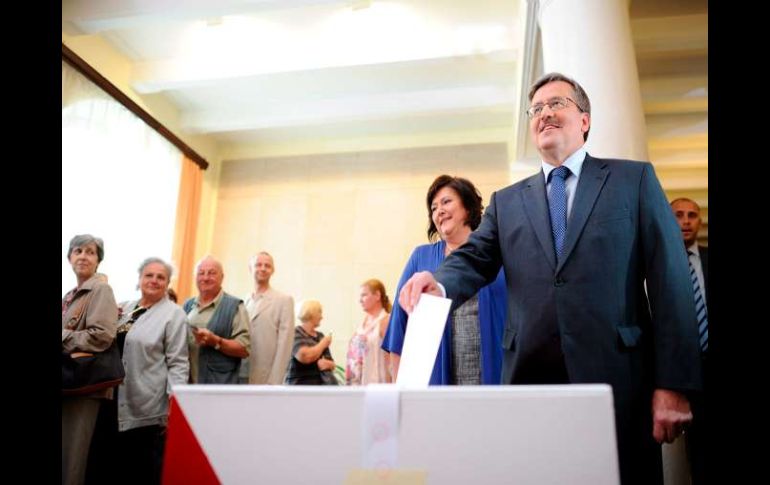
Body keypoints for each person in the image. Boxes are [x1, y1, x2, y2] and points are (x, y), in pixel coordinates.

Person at [398, 72, 702, 485]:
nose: (544, 114)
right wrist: (439, 281)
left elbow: (671, 284)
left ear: (585, 120)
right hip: (530, 383)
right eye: (536, 109)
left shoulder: (634, 181)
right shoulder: (507, 203)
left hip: (619, 379)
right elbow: (473, 258)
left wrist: (674, 382)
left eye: (556, 103)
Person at [383, 175, 507, 385]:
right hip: (436, 386)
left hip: (496, 382)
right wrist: (400, 390)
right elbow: (398, 328)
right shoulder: (420, 258)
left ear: (468, 208)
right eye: (433, 208)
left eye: (446, 202)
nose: (438, 210)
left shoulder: (499, 255)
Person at [87, 257, 189, 485]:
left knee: (138, 470)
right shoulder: (126, 308)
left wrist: (175, 404)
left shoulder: (174, 315)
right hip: (111, 401)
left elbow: (178, 363)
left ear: (167, 282)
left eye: (160, 277)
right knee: (110, 466)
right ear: (140, 279)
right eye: (149, 275)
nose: (154, 280)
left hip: (146, 404)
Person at [62, 234, 118, 485]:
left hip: (84, 384)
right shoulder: (70, 295)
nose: (83, 256)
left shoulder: (101, 289)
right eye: (77, 251)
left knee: (73, 458)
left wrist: (63, 336)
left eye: (90, 252)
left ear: (98, 261)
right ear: (69, 258)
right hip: (68, 383)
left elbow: (102, 336)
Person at [671, 197, 708, 485]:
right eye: (679, 215)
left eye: (692, 215)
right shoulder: (654, 260)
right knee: (694, 452)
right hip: (679, 373)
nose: (686, 221)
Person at [184, 255, 250, 384]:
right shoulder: (187, 305)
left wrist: (216, 341)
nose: (206, 278)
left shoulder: (235, 306)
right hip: (189, 385)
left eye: (212, 273)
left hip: (219, 385)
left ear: (222, 277)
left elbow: (244, 349)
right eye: (201, 273)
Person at [241, 251, 295, 384]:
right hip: (241, 374)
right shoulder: (243, 301)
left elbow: (285, 345)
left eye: (267, 266)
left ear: (273, 271)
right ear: (250, 268)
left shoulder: (284, 300)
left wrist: (274, 381)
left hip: (266, 377)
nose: (263, 269)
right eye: (258, 265)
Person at [346, 279, 392, 385]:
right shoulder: (362, 324)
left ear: (377, 295)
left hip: (377, 387)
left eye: (364, 295)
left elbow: (392, 360)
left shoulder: (386, 321)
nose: (360, 300)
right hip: (357, 387)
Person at [285, 300, 337, 385]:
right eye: (320, 312)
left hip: (319, 391)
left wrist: (328, 364)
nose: (321, 317)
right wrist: (323, 344)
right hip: (298, 391)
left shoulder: (321, 336)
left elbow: (332, 364)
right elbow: (304, 356)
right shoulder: (295, 333)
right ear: (312, 313)